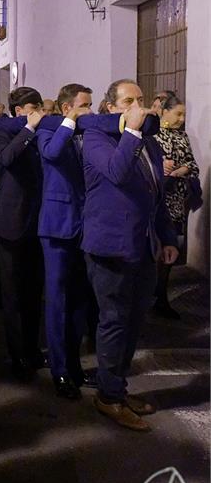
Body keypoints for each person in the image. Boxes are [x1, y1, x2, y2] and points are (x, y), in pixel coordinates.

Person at [82, 79, 178, 431]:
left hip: (144, 247)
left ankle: (117, 389)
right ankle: (108, 398)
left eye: (140, 100)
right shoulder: (96, 139)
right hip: (110, 248)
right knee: (114, 323)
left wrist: (167, 238)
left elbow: (157, 195)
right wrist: (132, 132)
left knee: (134, 323)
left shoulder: (150, 145)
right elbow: (117, 174)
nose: (138, 106)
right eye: (127, 101)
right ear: (110, 107)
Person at [37, 84, 93, 399]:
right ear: (66, 107)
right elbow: (53, 154)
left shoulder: (91, 135)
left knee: (80, 300)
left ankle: (75, 364)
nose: (89, 111)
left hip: (85, 226)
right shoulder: (49, 130)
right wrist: (70, 121)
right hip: (57, 227)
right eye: (84, 105)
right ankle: (59, 371)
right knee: (57, 301)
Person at [0, 86, 46, 382]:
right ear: (19, 112)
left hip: (38, 222)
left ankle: (34, 349)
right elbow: (7, 159)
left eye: (39, 106)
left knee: (34, 292)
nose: (37, 112)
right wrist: (28, 130)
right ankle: (17, 354)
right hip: (10, 222)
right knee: (12, 294)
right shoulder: (4, 132)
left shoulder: (40, 134)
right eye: (31, 107)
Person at [153, 93, 200, 319]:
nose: (181, 119)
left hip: (177, 204)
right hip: (158, 203)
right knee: (155, 252)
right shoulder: (153, 136)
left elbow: (192, 164)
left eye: (184, 114)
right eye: (177, 113)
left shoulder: (182, 137)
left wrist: (182, 170)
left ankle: (161, 295)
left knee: (171, 253)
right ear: (164, 112)